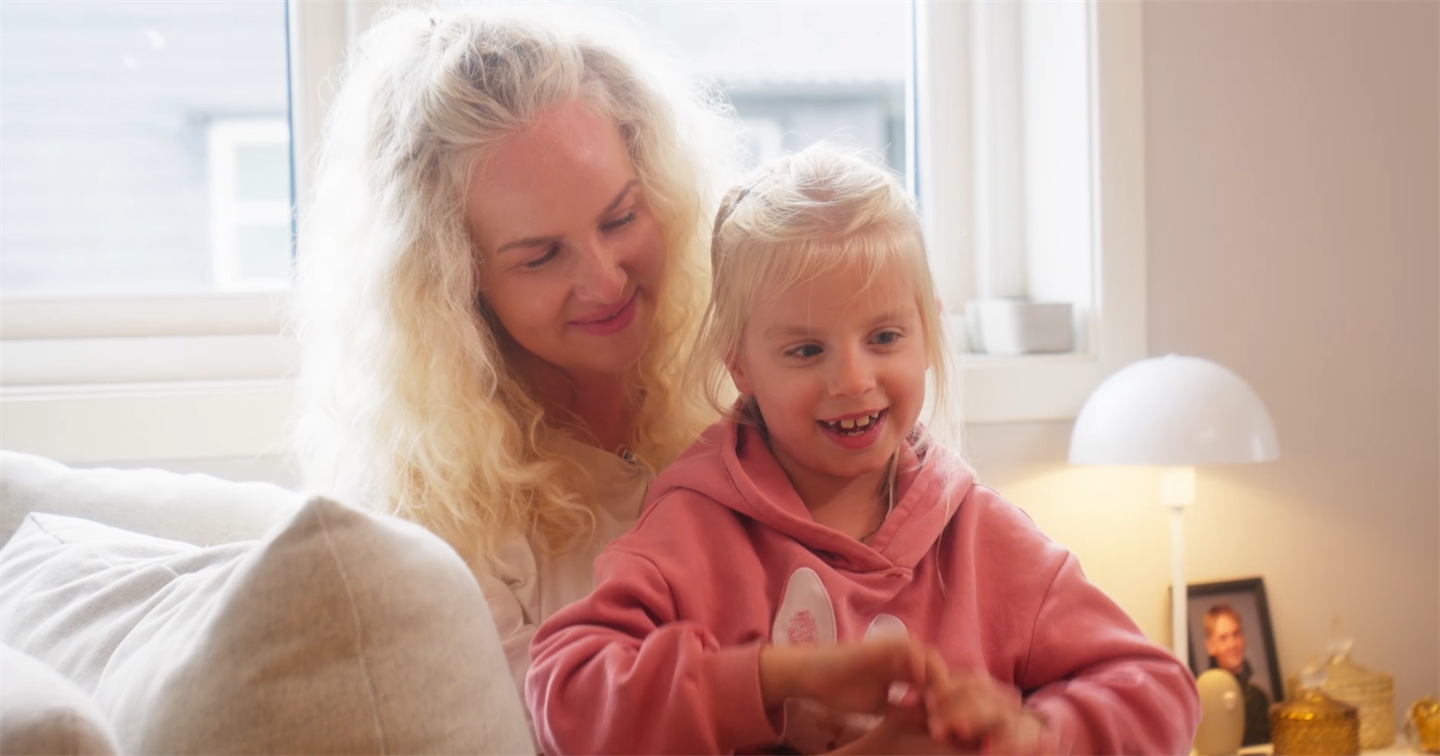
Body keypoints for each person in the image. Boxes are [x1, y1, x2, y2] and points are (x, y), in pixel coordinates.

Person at [527, 143, 1202, 756]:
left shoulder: (982, 537)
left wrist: (1037, 735)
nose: (852, 380)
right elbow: (564, 695)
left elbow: (1160, 690)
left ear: (928, 330)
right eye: (806, 350)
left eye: (884, 337)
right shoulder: (694, 531)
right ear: (741, 366)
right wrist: (778, 681)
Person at [289, 4, 738, 735]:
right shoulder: (440, 519)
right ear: (455, 285)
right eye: (540, 256)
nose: (605, 280)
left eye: (621, 217)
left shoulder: (748, 379)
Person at [1204, 603, 1273, 745]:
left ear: (1243, 638)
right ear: (1211, 646)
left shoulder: (1257, 697)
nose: (1232, 645)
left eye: (1236, 634)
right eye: (1223, 638)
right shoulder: (1206, 698)